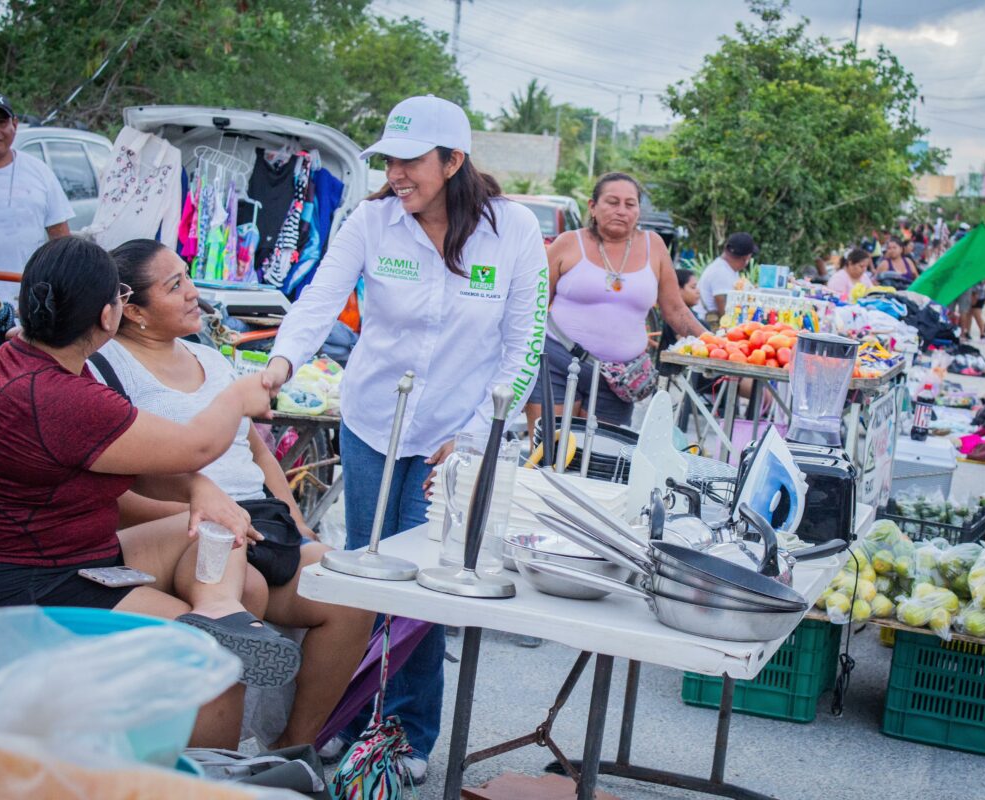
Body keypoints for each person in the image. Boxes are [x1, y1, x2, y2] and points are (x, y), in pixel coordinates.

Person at [258, 95, 548, 782]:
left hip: (456, 430)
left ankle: (409, 732)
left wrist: (477, 433)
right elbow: (321, 298)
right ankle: (348, 717)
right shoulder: (372, 220)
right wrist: (279, 364)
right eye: (389, 159)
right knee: (362, 568)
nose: (396, 173)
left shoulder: (512, 230)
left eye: (411, 160)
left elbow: (523, 343)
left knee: (424, 588)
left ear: (452, 161)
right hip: (370, 421)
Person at [0, 236, 289, 748]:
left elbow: (131, 460)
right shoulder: (61, 396)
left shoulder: (17, 358)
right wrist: (235, 398)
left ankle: (218, 614)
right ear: (110, 315)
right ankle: (201, 773)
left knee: (220, 531)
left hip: (67, 553)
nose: (189, 292)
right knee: (213, 664)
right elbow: (196, 444)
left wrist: (198, 487)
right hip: (35, 581)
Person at [97, 239, 374, 751]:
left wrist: (297, 520)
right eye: (174, 285)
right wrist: (202, 515)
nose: (192, 294)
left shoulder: (210, 357)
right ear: (131, 309)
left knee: (352, 593)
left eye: (187, 277)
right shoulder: (107, 369)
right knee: (242, 588)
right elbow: (120, 487)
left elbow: (257, 452)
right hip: (185, 523)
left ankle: (294, 749)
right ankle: (221, 759)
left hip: (261, 519)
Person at [526, 172, 706, 429]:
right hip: (557, 363)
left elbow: (676, 310)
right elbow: (533, 304)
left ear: (638, 211)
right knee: (549, 452)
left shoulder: (653, 246)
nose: (621, 210)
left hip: (621, 379)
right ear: (593, 206)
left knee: (600, 461)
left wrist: (717, 345)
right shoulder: (568, 243)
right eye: (612, 202)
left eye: (630, 204)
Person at [0, 91, 73, 344]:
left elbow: (60, 241)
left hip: (24, 309)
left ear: (14, 125)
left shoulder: (39, 172)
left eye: (1, 122)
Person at [697, 232, 757, 328]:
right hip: (709, 325)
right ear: (746, 258)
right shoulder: (721, 273)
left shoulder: (727, 268)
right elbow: (725, 313)